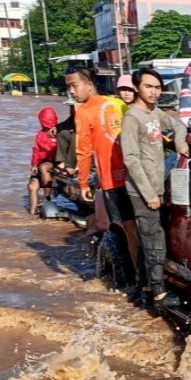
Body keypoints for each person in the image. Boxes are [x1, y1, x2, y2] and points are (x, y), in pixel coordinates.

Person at [122, 67, 189, 309]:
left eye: (158, 87)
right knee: (154, 239)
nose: (154, 91)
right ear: (137, 88)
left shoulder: (154, 113)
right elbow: (130, 158)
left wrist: (180, 144)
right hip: (142, 191)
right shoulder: (132, 118)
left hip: (158, 186)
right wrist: (149, 193)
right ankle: (159, 293)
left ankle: (147, 288)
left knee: (150, 237)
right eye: (148, 86)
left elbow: (178, 126)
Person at [67, 66, 140, 282]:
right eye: (68, 86)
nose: (71, 91)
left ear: (89, 84)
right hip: (137, 176)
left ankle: (137, 277)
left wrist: (82, 184)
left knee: (127, 228)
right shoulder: (118, 104)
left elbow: (83, 149)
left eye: (73, 85)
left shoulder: (83, 111)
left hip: (113, 180)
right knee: (138, 228)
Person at [28, 107, 58, 214]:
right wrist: (34, 164)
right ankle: (33, 212)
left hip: (55, 162)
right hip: (41, 163)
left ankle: (47, 198)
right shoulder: (40, 134)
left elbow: (56, 151)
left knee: (43, 167)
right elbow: (36, 150)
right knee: (32, 186)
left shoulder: (58, 133)